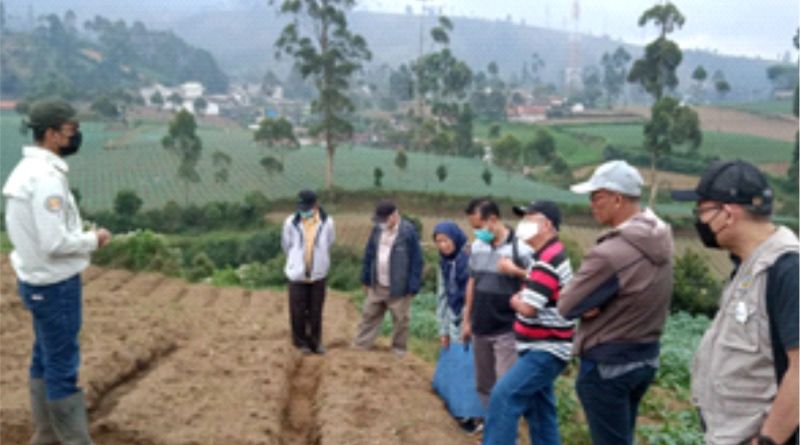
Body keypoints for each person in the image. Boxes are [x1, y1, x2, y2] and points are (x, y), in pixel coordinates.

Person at [3, 100, 113, 445]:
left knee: (44, 357)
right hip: (55, 285)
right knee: (62, 366)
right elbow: (55, 242)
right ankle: (74, 440)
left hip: (34, 280)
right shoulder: (46, 179)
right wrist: (93, 239)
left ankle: (47, 435)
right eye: (70, 130)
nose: (75, 135)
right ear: (51, 134)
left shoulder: (23, 171)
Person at [672, 160, 798, 445]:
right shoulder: (749, 266)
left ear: (727, 213)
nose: (699, 221)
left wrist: (767, 441)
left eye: (702, 210)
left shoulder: (787, 271)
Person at [557, 160, 674, 445]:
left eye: (596, 197)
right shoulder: (661, 236)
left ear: (617, 198)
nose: (591, 205)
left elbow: (566, 306)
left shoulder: (610, 253)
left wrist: (592, 305)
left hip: (607, 364)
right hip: (644, 358)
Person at [483, 201, 575, 445]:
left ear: (547, 225)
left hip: (545, 349)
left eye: (529, 219)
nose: (523, 225)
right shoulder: (546, 255)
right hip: (541, 347)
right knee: (540, 413)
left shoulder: (547, 259)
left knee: (504, 397)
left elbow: (529, 307)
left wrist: (515, 301)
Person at [461, 199, 531, 407]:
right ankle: (492, 429)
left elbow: (539, 280)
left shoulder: (522, 250)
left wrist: (515, 271)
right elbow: (472, 282)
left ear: (493, 220)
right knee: (484, 385)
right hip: (481, 326)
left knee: (505, 386)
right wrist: (467, 320)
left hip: (507, 329)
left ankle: (508, 436)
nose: (477, 232)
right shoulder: (477, 247)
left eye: (478, 227)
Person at [430, 221, 485, 433]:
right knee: (453, 364)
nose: (443, 245)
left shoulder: (470, 259)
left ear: (455, 238)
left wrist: (468, 321)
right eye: (439, 241)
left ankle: (472, 415)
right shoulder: (443, 263)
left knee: (469, 368)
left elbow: (478, 294)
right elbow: (442, 295)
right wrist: (443, 328)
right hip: (453, 318)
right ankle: (456, 407)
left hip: (472, 321)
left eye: (446, 240)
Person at [354, 200, 423, 356]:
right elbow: (369, 254)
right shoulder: (377, 230)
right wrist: (365, 278)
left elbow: (417, 261)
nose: (381, 224)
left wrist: (413, 285)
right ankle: (361, 345)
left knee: (401, 320)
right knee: (369, 314)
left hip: (399, 286)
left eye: (384, 220)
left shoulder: (408, 232)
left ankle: (398, 349)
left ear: (394, 216)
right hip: (378, 284)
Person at [281, 189, 335, 355]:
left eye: (307, 207)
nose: (303, 210)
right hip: (297, 274)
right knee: (297, 310)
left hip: (318, 273)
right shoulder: (290, 222)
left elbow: (330, 242)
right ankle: (300, 342)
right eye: (301, 207)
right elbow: (286, 245)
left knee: (316, 310)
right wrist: (295, 262)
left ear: (316, 205)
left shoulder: (327, 222)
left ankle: (316, 342)